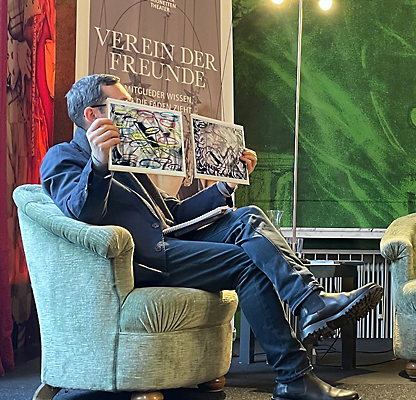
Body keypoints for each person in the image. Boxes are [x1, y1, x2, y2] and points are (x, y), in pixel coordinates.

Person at [40, 74, 383, 400]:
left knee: (247, 216)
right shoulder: (63, 156)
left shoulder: (130, 159)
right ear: (92, 115)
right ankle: (295, 373)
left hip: (170, 244)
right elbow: (81, 214)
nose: (134, 112)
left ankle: (310, 302)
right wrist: (98, 165)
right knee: (246, 263)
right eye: (123, 106)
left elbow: (173, 214)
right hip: (143, 261)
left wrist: (224, 186)